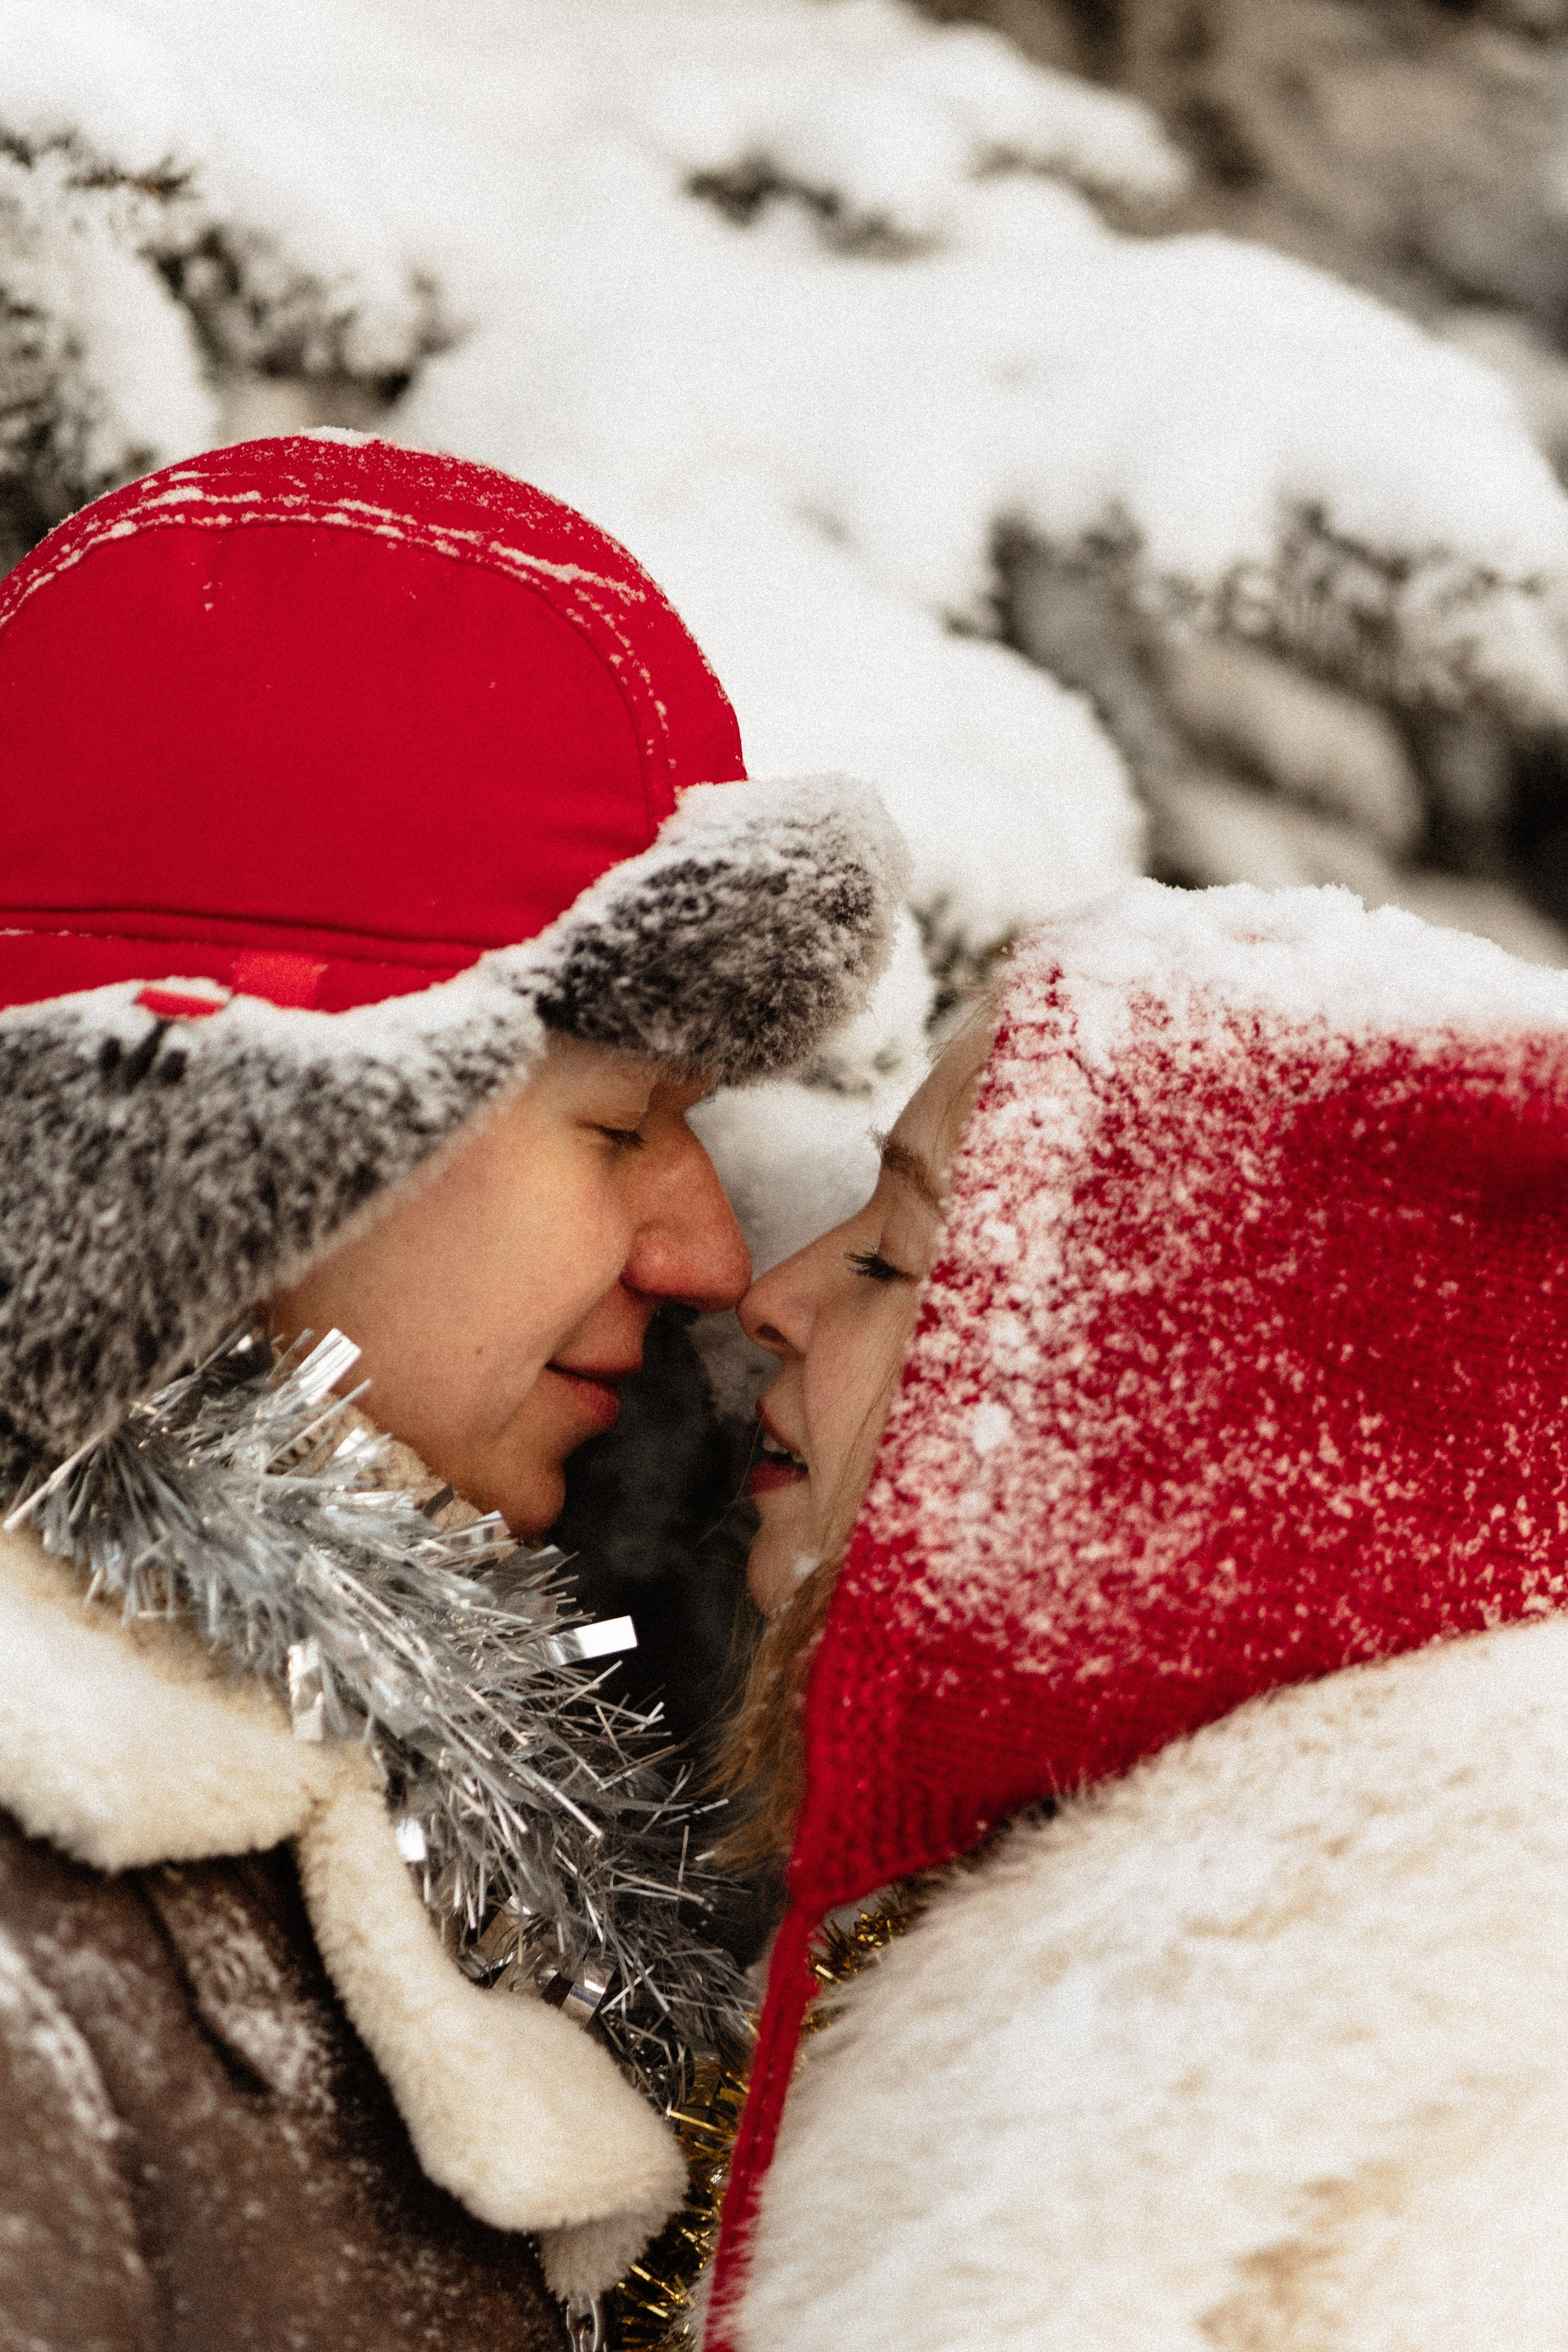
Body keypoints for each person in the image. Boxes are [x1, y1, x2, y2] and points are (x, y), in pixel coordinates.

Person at [0, 431, 905, 2351]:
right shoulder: (49, 1903)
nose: (707, 1259)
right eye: (620, 1126)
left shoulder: (277, 1792)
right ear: (267, 1118)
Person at [708, 876, 1568, 2352]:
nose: (769, 1295)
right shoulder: (1211, 1970)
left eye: (892, 1260)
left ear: (1163, 1433)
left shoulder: (1375, 2137)